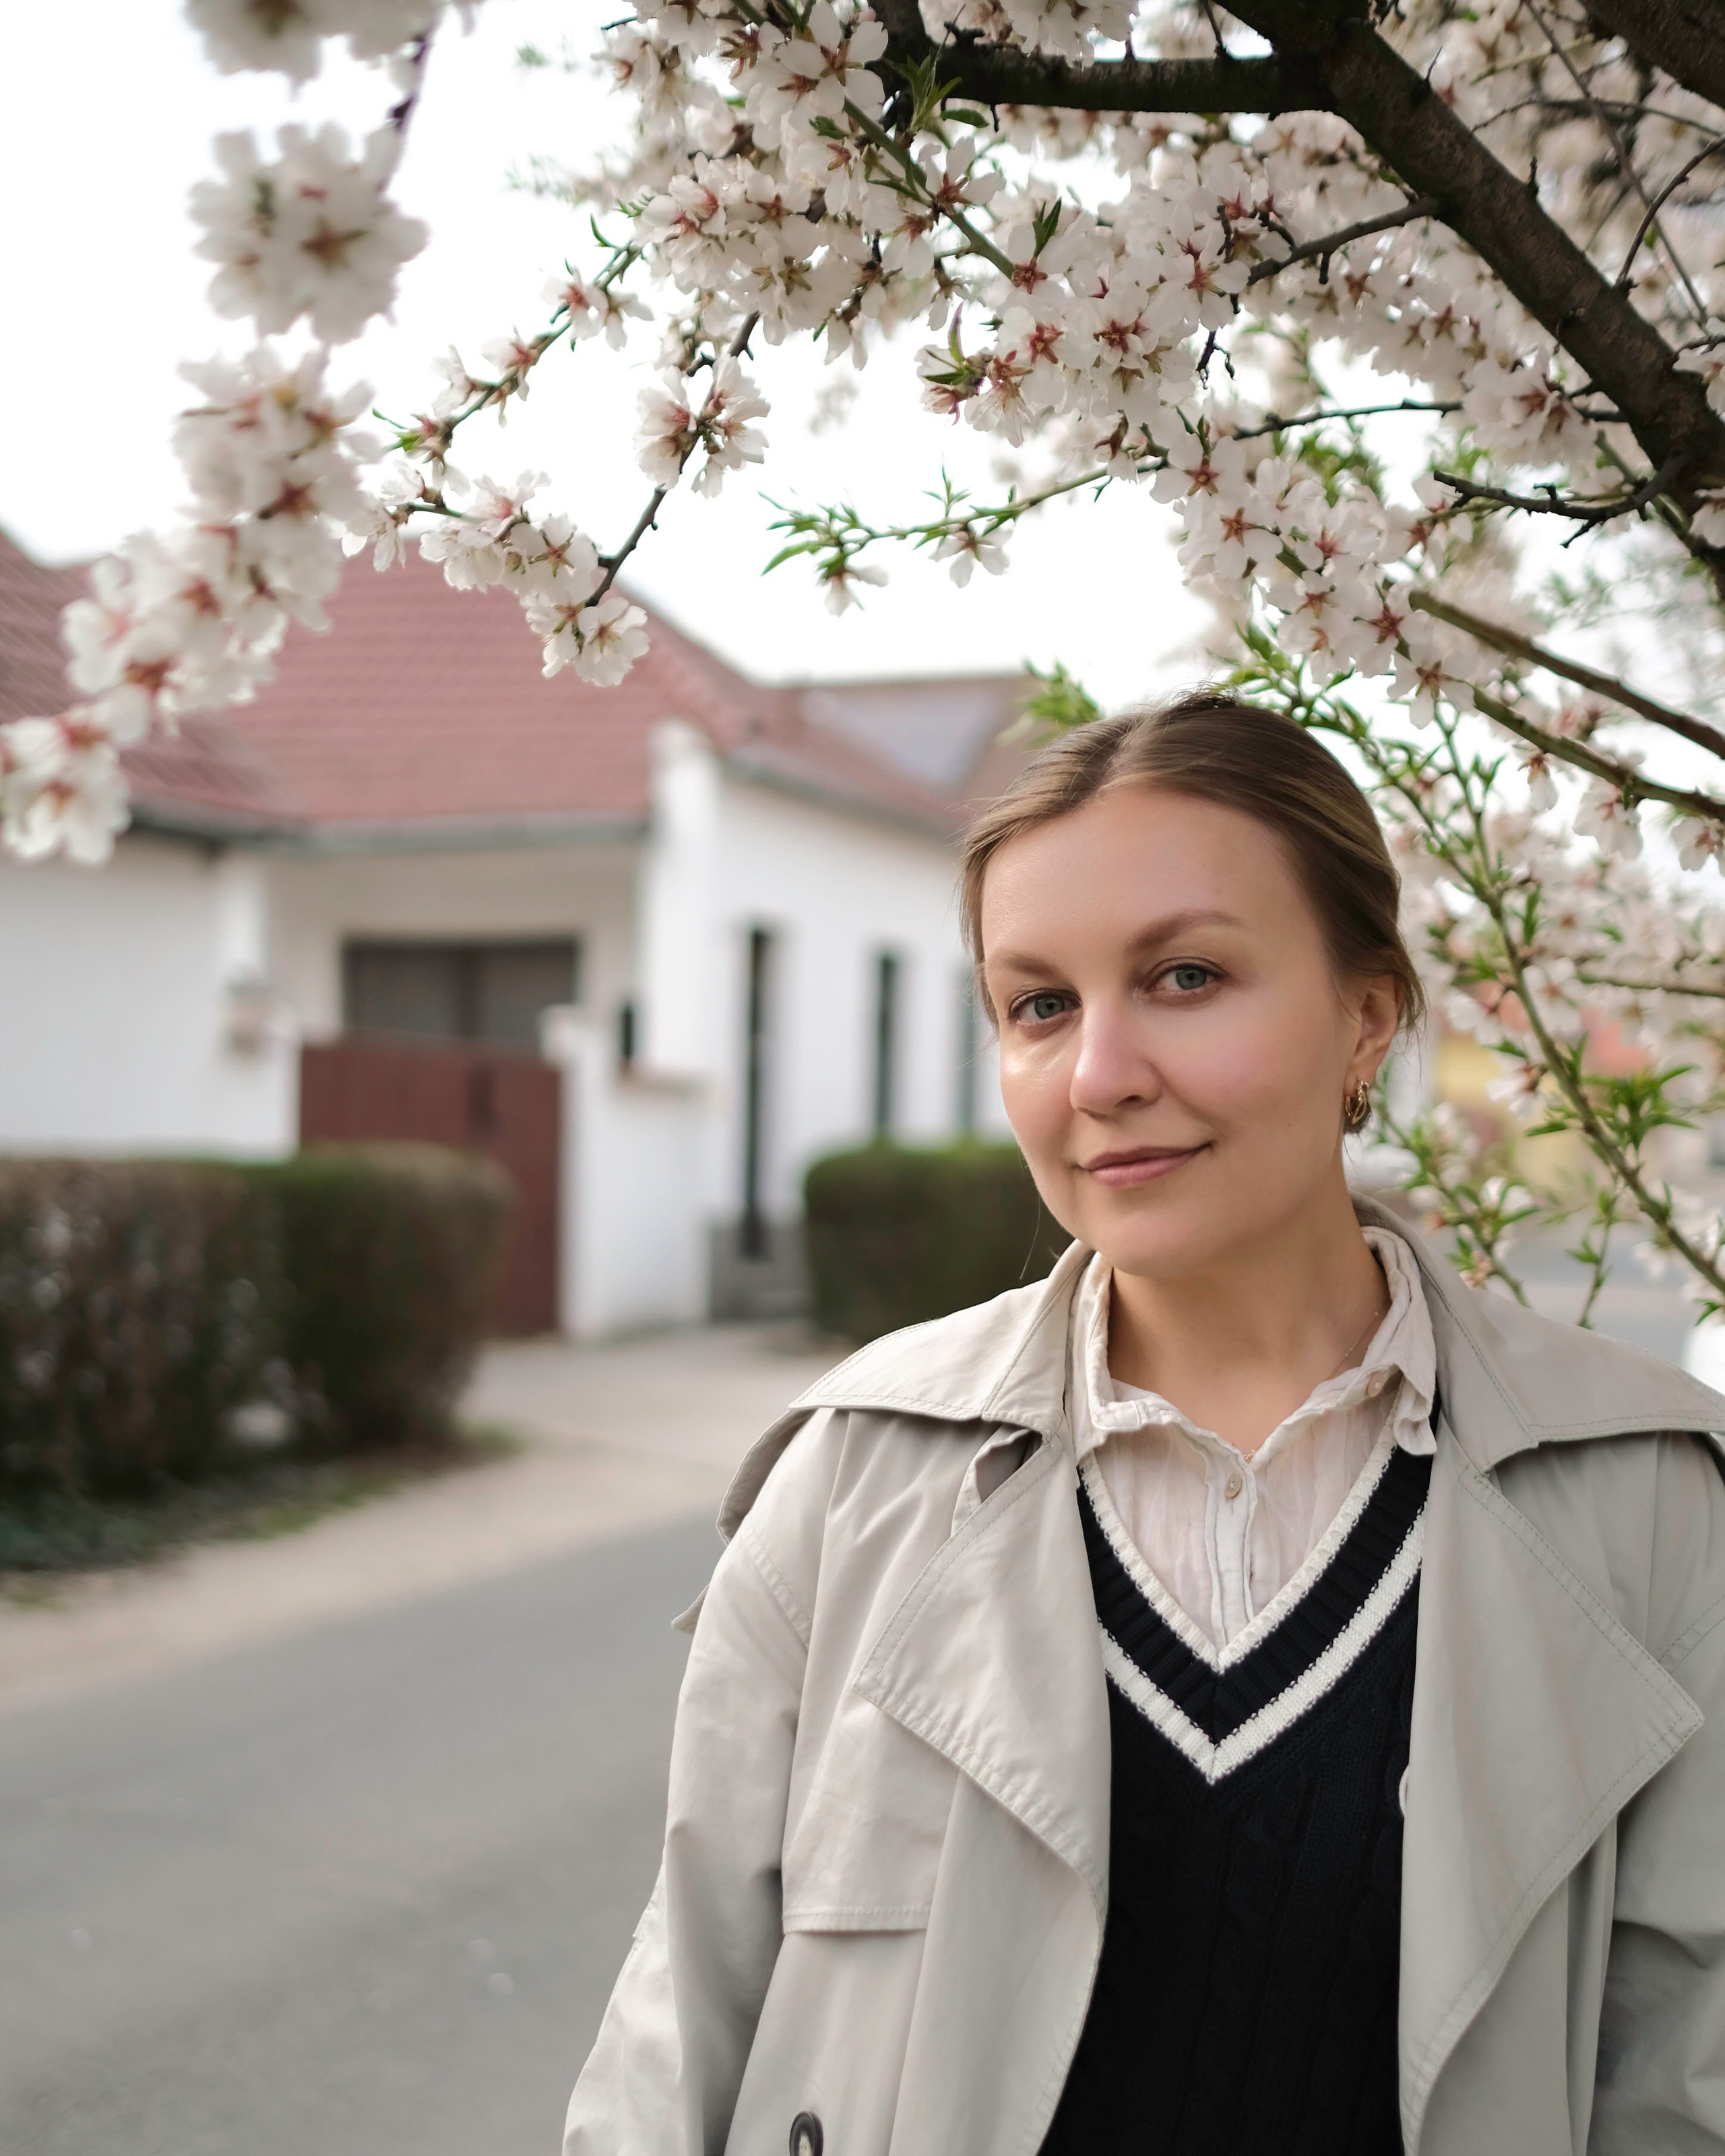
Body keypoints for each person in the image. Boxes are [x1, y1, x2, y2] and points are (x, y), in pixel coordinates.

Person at [564, 693, 1725, 2156]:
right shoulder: (854, 1476)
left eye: (1185, 976)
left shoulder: (1643, 1499)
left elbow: (1684, 2086)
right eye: (1038, 1005)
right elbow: (674, 2046)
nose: (1100, 1075)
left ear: (1368, 1015)